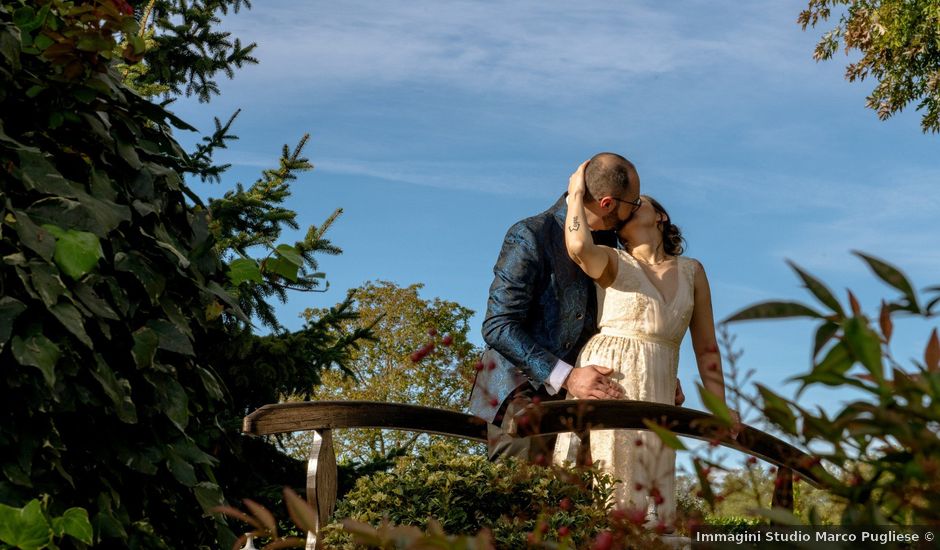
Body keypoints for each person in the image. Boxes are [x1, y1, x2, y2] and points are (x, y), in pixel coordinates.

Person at [553, 161, 740, 527]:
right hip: (611, 381)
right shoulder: (612, 260)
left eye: (639, 204)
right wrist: (576, 192)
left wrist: (720, 407)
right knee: (608, 490)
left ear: (661, 217)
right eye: (627, 208)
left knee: (652, 502)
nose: (631, 209)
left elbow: (706, 349)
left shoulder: (692, 271)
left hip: (657, 384)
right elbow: (577, 245)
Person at [469, 152, 685, 462]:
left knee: (583, 505)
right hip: (523, 395)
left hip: (592, 402)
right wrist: (568, 377)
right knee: (519, 502)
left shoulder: (614, 247)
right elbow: (498, 326)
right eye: (633, 202)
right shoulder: (530, 235)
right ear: (607, 204)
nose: (637, 208)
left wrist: (657, 377)